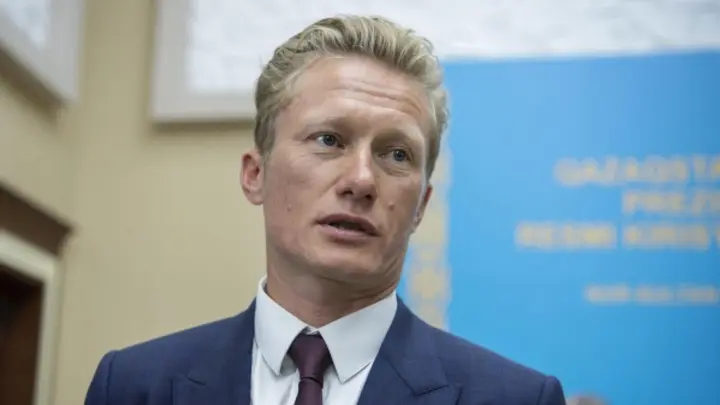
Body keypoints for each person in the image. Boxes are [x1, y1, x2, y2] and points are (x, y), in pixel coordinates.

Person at [85, 14, 566, 405]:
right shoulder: (133, 386)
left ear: (421, 205)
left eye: (397, 154)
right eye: (329, 140)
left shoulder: (519, 399)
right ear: (256, 174)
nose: (362, 180)